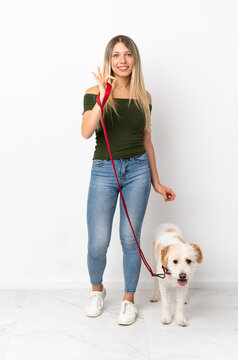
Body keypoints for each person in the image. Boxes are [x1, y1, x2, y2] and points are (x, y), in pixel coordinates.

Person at [81, 35, 176, 325]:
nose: (122, 60)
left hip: (137, 170)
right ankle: (97, 290)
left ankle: (128, 299)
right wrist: (102, 96)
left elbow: (147, 140)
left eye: (128, 55)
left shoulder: (144, 97)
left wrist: (156, 183)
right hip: (104, 170)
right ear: (109, 60)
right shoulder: (93, 92)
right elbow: (86, 132)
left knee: (129, 239)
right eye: (116, 55)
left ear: (134, 59)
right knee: (98, 242)